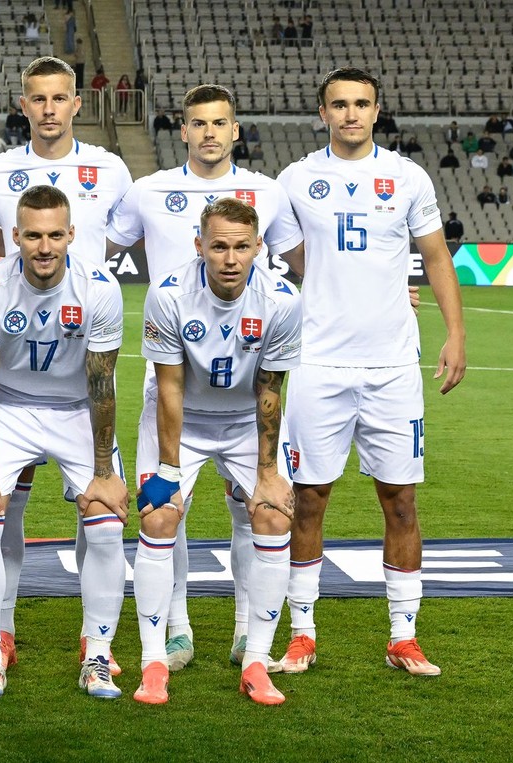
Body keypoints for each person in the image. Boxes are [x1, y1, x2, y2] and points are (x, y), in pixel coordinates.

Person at [105, 83, 304, 675]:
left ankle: (248, 631)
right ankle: (177, 626)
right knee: (171, 507)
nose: (210, 132)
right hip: (173, 370)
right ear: (183, 130)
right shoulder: (148, 191)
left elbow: (299, 265)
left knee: (254, 510)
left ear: (235, 130)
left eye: (221, 122)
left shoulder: (268, 194)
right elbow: (99, 256)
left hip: (245, 371)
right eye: (199, 123)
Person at [274, 67, 466, 678]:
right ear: (322, 112)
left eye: (361, 104)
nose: (351, 114)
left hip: (392, 368)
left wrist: (455, 334)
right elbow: (295, 257)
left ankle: (403, 637)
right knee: (308, 500)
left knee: (401, 501)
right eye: (339, 105)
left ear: (377, 109)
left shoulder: (407, 177)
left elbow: (434, 255)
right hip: (318, 364)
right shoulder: (297, 179)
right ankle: (302, 634)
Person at [0, 55, 131, 673]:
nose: (49, 108)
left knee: (104, 512)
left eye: (60, 97)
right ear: (22, 104)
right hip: (11, 397)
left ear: (78, 103)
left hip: (80, 383)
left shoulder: (110, 169)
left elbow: (144, 237)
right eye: (37, 98)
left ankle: (97, 649)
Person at [0, 185, 128, 699]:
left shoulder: (99, 287)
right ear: (14, 237)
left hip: (76, 407)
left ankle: (96, 654)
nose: (45, 246)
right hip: (9, 406)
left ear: (72, 234)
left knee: (104, 526)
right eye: (33, 235)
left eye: (56, 234)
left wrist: (103, 471)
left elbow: (102, 382)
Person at [136, 197, 302, 706]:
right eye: (219, 247)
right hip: (180, 420)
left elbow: (271, 390)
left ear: (258, 247)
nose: (230, 259)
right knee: (159, 517)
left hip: (246, 421)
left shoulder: (282, 299)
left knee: (273, 516)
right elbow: (168, 388)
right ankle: (153, 663)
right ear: (199, 246)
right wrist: (167, 469)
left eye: (241, 247)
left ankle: (255, 660)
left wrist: (268, 473)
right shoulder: (168, 295)